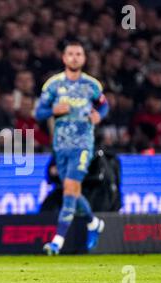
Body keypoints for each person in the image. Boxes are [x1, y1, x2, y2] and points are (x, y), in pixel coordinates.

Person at [34, 41, 109, 255]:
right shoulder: (53, 85)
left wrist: (98, 115)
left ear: (84, 59)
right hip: (60, 146)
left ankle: (57, 242)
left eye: (78, 54)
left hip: (83, 145)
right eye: (70, 54)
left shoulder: (92, 85)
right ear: (64, 58)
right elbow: (38, 112)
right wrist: (53, 110)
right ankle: (94, 223)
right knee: (72, 190)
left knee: (69, 188)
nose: (74, 57)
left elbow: (104, 105)